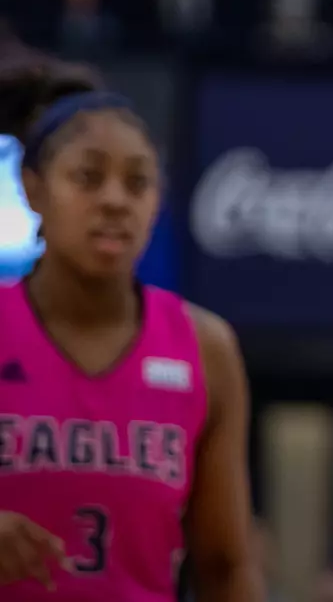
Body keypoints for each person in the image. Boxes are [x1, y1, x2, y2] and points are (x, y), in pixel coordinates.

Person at [0, 61, 260, 600]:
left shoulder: (205, 348)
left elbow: (225, 565)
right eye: (88, 178)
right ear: (32, 189)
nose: (116, 201)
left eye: (138, 182)